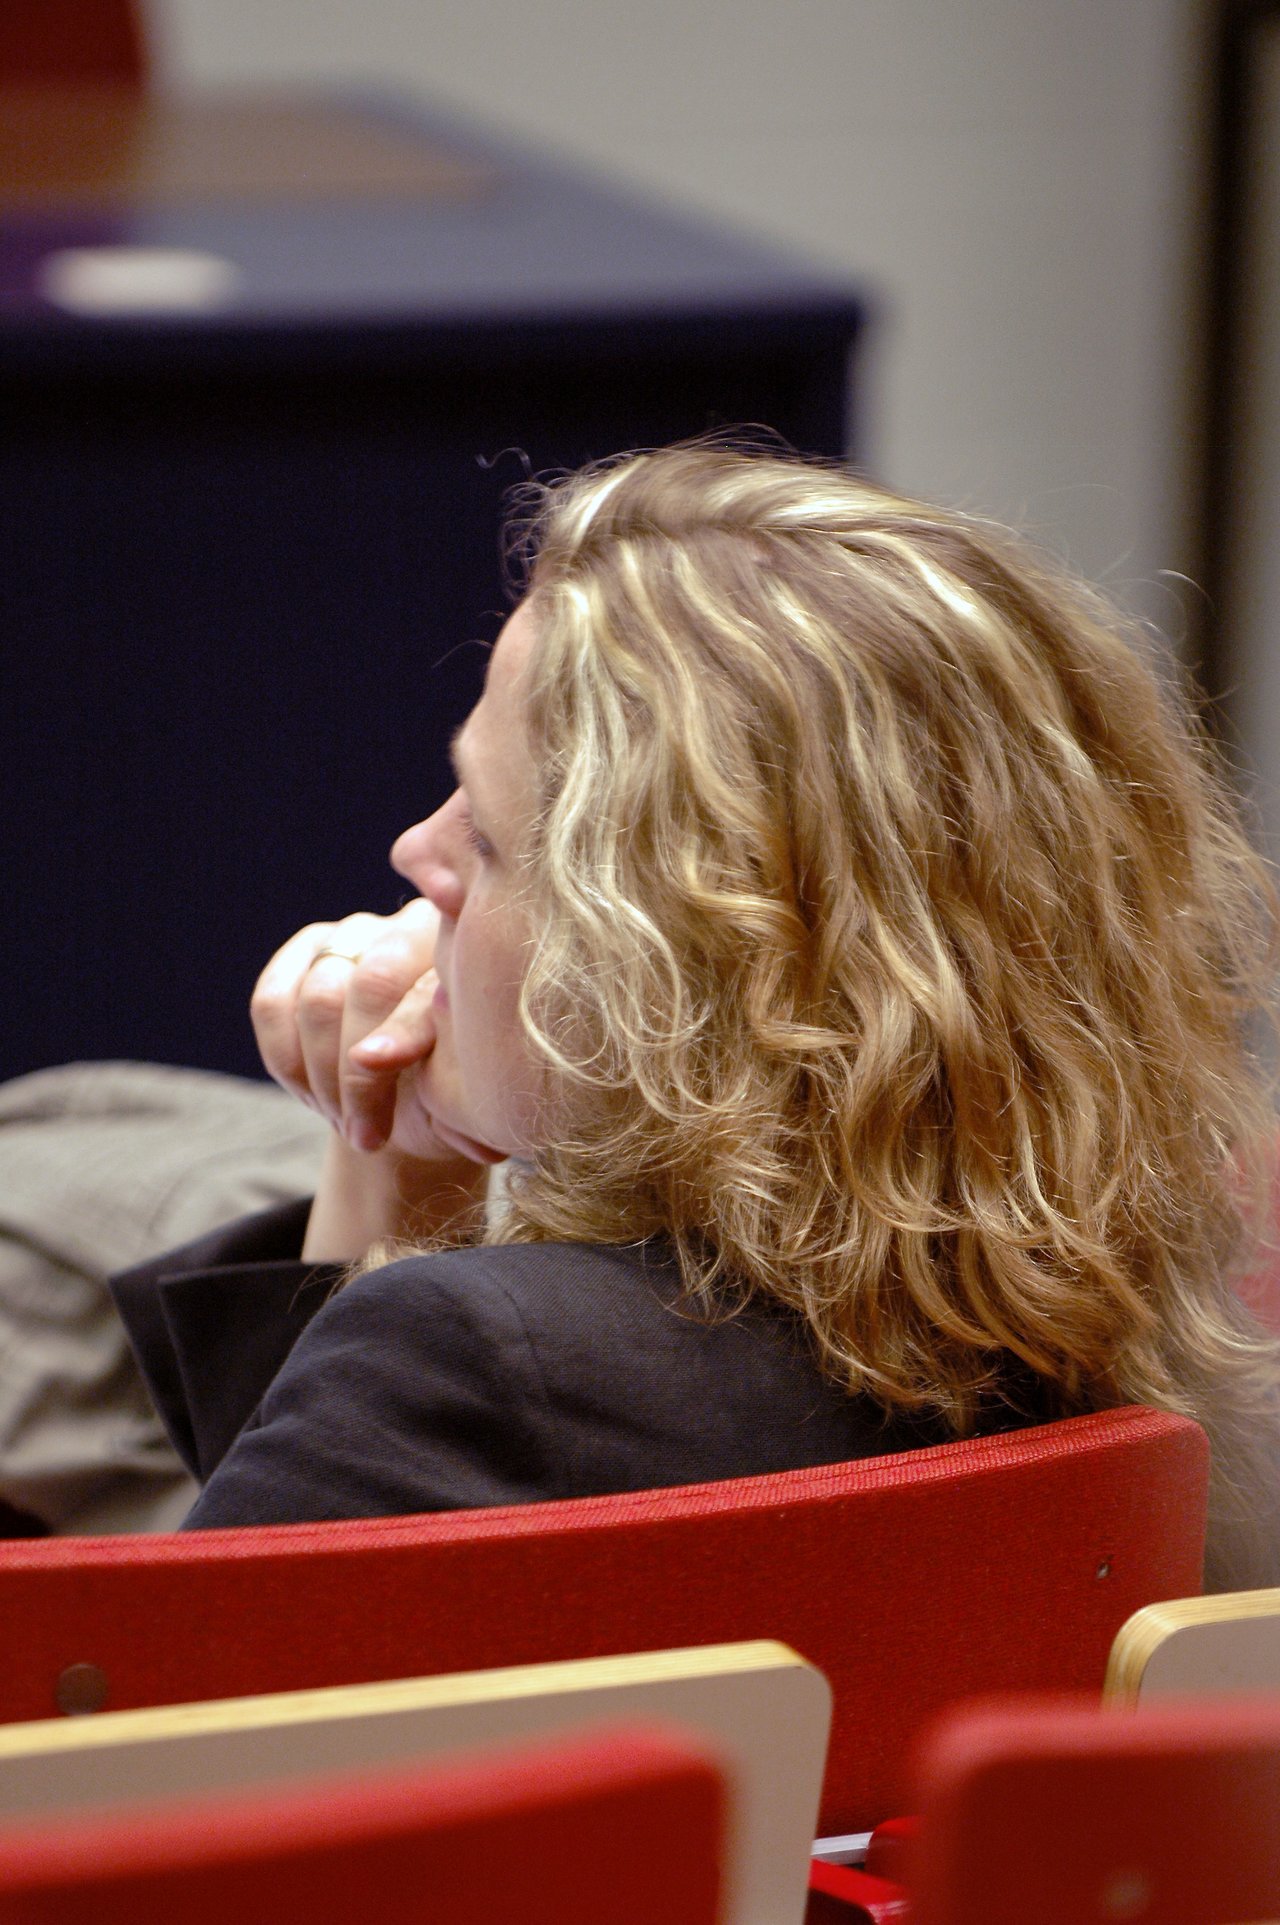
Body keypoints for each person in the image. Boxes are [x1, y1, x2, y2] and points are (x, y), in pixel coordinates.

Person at [112, 441, 1280, 1588]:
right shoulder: (1133, 1353)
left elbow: (191, 1721)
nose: (412, 850)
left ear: (666, 960)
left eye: (485, 833)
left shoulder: (475, 1361)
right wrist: (396, 1151)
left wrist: (377, 1165)